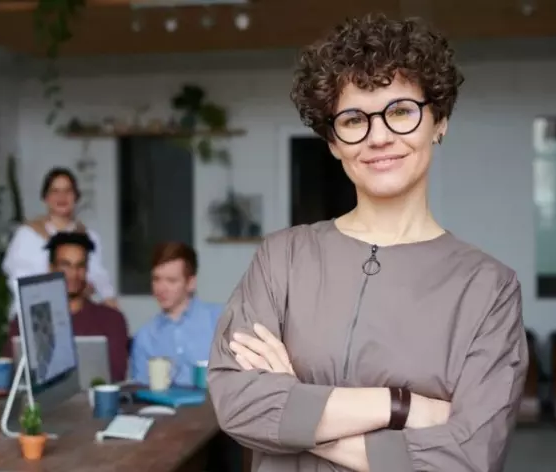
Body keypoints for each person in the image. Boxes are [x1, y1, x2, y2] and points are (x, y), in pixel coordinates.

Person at [208, 14, 528, 472]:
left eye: (400, 112)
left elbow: (466, 459)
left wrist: (295, 412)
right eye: (354, 119)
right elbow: (238, 404)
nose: (378, 137)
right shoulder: (282, 259)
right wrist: (399, 406)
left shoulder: (488, 289)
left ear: (439, 121)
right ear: (334, 142)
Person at [5, 232, 130, 382]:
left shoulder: (112, 320)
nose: (73, 274)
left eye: (80, 266)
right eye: (65, 265)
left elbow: (116, 376)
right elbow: (10, 378)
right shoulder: (25, 321)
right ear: (51, 268)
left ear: (87, 269)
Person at [2, 167, 117, 311]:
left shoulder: (88, 237)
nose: (62, 197)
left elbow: (98, 275)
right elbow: (17, 279)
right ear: (46, 197)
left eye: (68, 191)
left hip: (77, 313)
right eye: (55, 191)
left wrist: (108, 298)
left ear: (76, 196)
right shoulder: (27, 235)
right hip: (35, 311)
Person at [130, 242, 222, 387]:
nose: (161, 288)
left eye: (171, 280)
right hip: (163, 409)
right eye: (156, 279)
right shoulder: (145, 336)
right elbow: (140, 393)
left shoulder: (220, 320)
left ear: (190, 283)